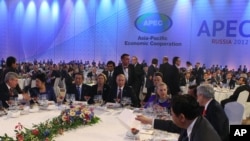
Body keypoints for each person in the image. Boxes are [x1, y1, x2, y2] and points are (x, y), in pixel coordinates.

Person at [135, 95, 221, 141]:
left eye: (172, 114)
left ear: (182, 117)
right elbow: (172, 125)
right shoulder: (194, 120)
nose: (171, 117)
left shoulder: (202, 137)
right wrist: (149, 121)